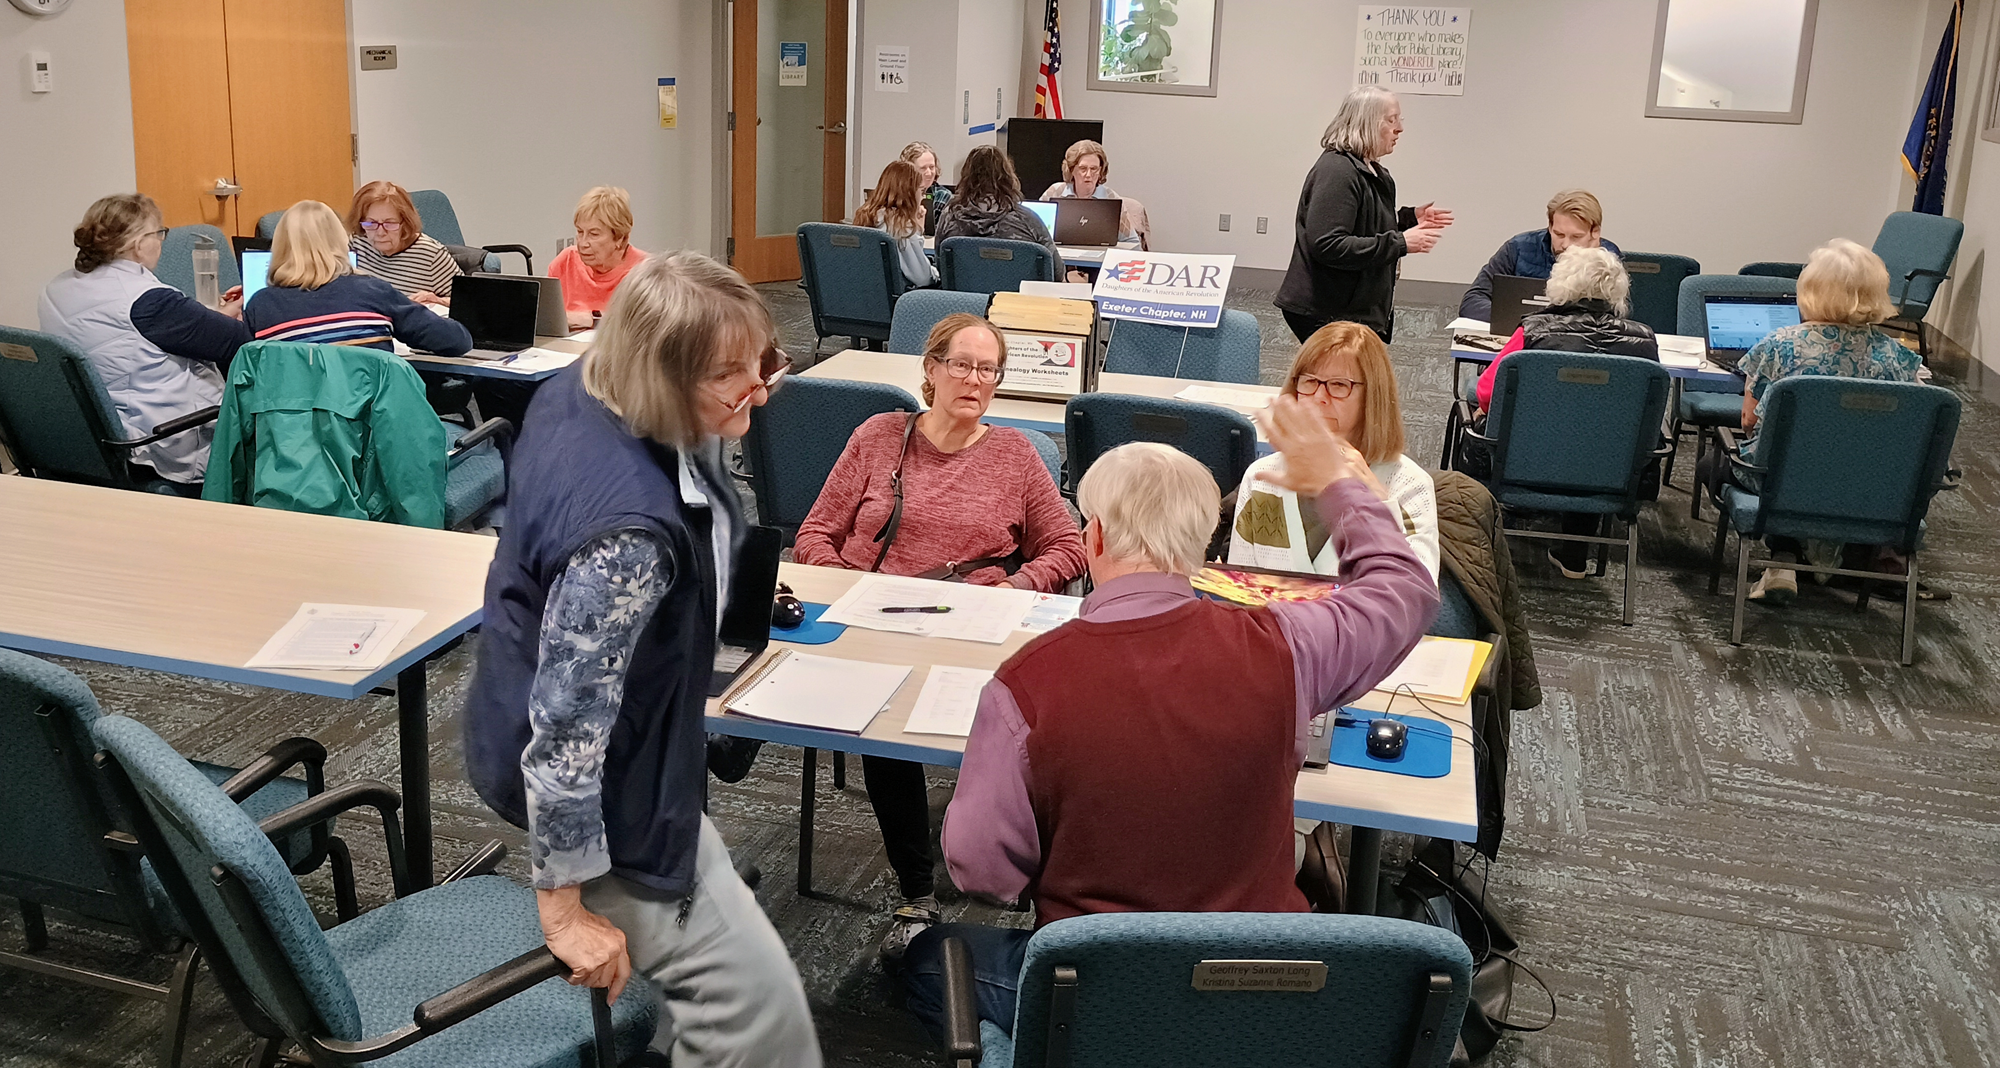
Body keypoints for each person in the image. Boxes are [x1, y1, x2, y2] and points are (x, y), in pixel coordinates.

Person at [896, 411, 1440, 1039]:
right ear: (1205, 548)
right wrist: (1341, 482)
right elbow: (1406, 590)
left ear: (1092, 537)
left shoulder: (1023, 685)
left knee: (925, 963)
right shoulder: (1287, 647)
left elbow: (982, 872)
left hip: (1097, 990)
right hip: (1260, 987)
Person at [462, 251, 821, 1066]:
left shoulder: (579, 386)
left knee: (688, 980)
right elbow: (568, 728)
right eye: (730, 373)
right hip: (609, 798)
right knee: (758, 1018)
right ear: (661, 377)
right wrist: (562, 908)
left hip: (564, 726)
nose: (759, 388)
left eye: (761, 360)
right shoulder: (626, 539)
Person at [793, 312, 1086, 962]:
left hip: (974, 632)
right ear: (930, 369)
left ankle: (1026, 881)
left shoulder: (1014, 454)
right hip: (878, 624)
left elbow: (1069, 547)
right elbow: (814, 534)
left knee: (1026, 732)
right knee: (877, 720)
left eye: (989, 369)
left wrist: (1015, 587)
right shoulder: (878, 437)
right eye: (962, 364)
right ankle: (916, 889)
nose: (975, 380)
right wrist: (849, 587)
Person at [1697, 238, 1921, 604]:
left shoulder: (1780, 345)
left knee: (1714, 463)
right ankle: (1823, 556)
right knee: (1822, 470)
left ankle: (1783, 555)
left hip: (1785, 484)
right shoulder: (1900, 359)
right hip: (1870, 488)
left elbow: (1749, 421)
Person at [38, 193, 251, 488]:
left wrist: (212, 317)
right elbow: (238, 342)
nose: (161, 242)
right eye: (159, 233)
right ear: (138, 245)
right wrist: (231, 315)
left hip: (96, 437)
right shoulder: (148, 302)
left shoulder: (56, 289)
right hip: (165, 441)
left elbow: (140, 333)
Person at [1469, 245, 1658, 578]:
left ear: (1560, 283)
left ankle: (1474, 546)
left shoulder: (1533, 333)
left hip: (1525, 459)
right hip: (1609, 470)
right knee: (1597, 430)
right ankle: (1574, 552)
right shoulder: (1644, 342)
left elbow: (1486, 394)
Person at [1230, 321, 1439, 581]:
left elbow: (1413, 602)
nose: (1319, 397)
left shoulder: (1409, 486)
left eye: (1338, 385)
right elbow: (1240, 590)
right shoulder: (1262, 477)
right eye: (1309, 381)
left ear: (1372, 398)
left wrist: (1377, 505)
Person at [1276, 86, 1452, 344]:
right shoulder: (1337, 171)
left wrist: (1410, 218)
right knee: (1344, 381)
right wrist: (1401, 243)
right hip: (1326, 311)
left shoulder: (1372, 170)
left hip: (1351, 309)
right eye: (1391, 120)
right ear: (1366, 122)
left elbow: (1365, 222)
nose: (1399, 128)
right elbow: (1327, 243)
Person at [243, 201, 472, 358]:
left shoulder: (259, 306)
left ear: (280, 246)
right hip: (373, 426)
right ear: (341, 241)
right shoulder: (373, 292)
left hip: (291, 427)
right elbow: (457, 341)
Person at [1458, 190, 1622, 323]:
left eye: (1576, 237)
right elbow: (1472, 301)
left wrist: (1590, 260)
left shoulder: (1607, 258)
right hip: (1520, 340)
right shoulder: (1519, 248)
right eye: (1558, 234)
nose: (1565, 245)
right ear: (1550, 226)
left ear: (1595, 233)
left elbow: (1619, 315)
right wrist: (1524, 322)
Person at [933, 145, 1064, 279]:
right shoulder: (1027, 220)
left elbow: (940, 265)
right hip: (1014, 299)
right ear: (1008, 177)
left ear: (966, 177)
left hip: (963, 298)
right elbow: (1056, 272)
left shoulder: (949, 216)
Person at [547, 186, 649, 330]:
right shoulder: (565, 262)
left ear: (619, 237)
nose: (582, 243)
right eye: (580, 232)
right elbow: (546, 321)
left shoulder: (645, 272)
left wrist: (592, 320)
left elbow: (646, 328)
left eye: (594, 234)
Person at [346, 180, 462, 305]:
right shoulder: (356, 243)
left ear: (405, 223)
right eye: (371, 223)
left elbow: (469, 302)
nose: (380, 232)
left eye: (390, 224)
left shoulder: (431, 255)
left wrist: (439, 300)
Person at [1038, 139, 1145, 246]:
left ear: (1101, 171)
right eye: (1083, 168)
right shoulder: (1055, 192)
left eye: (1094, 169)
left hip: (1098, 260)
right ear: (1071, 170)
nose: (1088, 174)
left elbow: (1132, 242)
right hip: (1060, 257)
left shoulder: (1110, 197)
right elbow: (1034, 231)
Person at [854, 160, 939, 288]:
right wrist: (918, 231)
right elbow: (923, 278)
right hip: (899, 299)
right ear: (909, 193)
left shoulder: (865, 215)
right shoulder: (903, 226)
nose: (921, 198)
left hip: (868, 292)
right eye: (921, 191)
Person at [900, 141, 952, 231]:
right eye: (923, 168)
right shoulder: (897, 193)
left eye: (932, 167)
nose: (929, 173)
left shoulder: (943, 196)